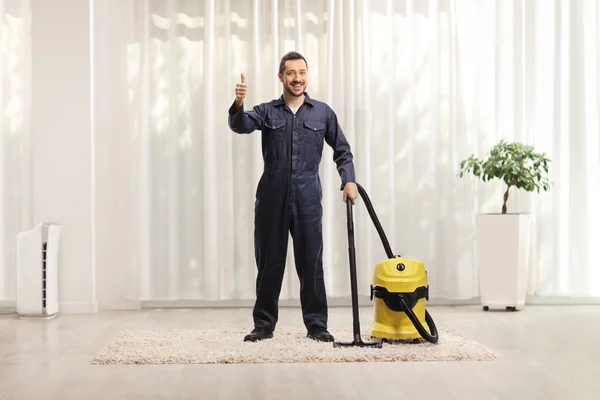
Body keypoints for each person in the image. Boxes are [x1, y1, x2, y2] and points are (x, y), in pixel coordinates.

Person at [228, 51, 358, 343]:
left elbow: (342, 150)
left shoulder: (322, 112)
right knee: (269, 262)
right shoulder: (267, 111)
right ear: (281, 77)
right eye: (291, 73)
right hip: (271, 197)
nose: (297, 78)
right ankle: (263, 325)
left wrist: (348, 180)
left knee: (311, 262)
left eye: (302, 73)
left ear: (307, 76)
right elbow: (240, 126)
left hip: (308, 197)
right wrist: (238, 104)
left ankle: (316, 326)